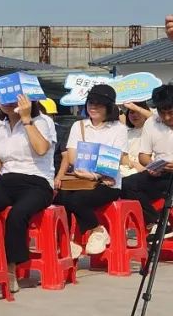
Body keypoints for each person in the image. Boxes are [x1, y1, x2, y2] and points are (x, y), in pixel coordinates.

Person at [0, 93, 57, 292]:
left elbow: (41, 149)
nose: (9, 103)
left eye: (14, 99)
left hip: (37, 182)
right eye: (4, 99)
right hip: (7, 180)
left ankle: (11, 269)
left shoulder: (42, 121)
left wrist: (26, 119)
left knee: (17, 214)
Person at [54, 83, 128, 256]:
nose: (93, 107)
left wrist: (95, 175)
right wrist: (94, 167)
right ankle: (68, 242)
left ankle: (97, 230)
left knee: (77, 200)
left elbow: (114, 161)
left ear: (109, 107)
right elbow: (73, 157)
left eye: (99, 104)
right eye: (90, 103)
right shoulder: (79, 126)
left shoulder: (119, 129)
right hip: (81, 178)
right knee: (61, 198)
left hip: (108, 183)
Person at [121, 85, 173, 238]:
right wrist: (152, 165)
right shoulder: (152, 122)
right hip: (162, 172)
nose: (167, 118)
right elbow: (143, 156)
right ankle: (157, 221)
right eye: (163, 113)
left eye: (171, 113)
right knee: (126, 185)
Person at [122, 101, 152, 176]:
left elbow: (155, 119)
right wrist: (133, 164)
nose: (135, 115)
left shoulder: (154, 129)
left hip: (150, 171)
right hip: (128, 170)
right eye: (131, 112)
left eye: (138, 112)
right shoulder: (126, 133)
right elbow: (123, 157)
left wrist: (137, 108)